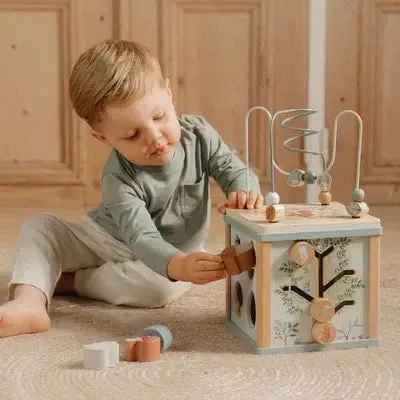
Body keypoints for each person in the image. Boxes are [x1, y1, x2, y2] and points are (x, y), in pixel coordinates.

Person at [0, 39, 263, 338]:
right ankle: (28, 304)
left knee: (161, 289)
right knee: (40, 228)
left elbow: (234, 168)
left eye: (159, 116)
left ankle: (71, 282)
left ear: (169, 94)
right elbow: (141, 237)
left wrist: (243, 189)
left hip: (175, 252)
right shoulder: (118, 177)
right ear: (103, 138)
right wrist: (178, 265)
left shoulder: (199, 134)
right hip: (108, 238)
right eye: (132, 134)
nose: (154, 137)